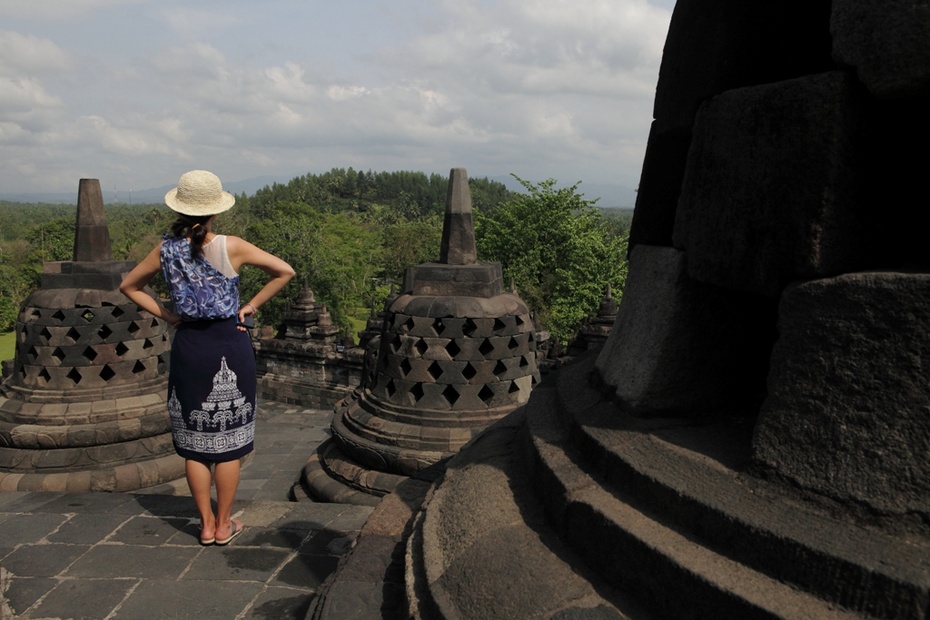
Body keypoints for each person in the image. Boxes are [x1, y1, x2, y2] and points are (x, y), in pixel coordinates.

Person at [120, 170, 295, 546]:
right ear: (215, 211)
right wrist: (248, 307)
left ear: (180, 210)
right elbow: (284, 271)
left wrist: (167, 315)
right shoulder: (231, 245)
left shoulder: (165, 249)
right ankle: (224, 524)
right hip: (228, 341)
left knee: (195, 443)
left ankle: (204, 523)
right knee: (228, 442)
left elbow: (129, 286)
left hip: (189, 346)